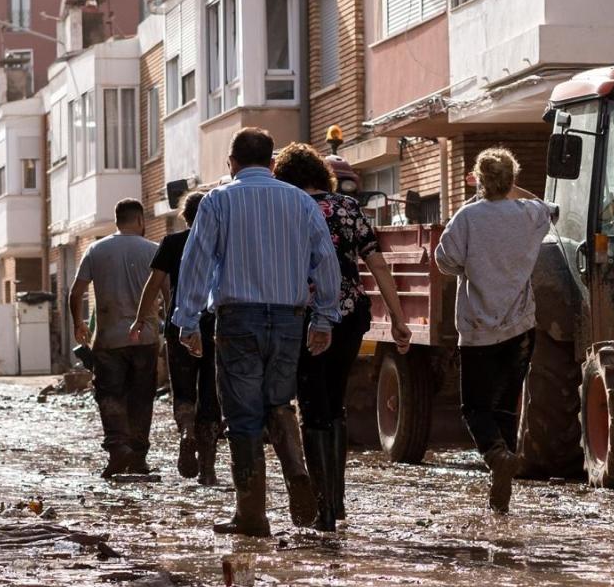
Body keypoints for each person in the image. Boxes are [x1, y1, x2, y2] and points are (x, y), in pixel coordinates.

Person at [171, 128, 341, 537]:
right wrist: (323, 319)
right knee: (279, 401)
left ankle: (251, 513)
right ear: (271, 164)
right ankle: (296, 470)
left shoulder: (218, 201)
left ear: (231, 163)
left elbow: (195, 262)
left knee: (243, 415)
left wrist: (187, 321)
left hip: (238, 320)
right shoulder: (301, 201)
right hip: (289, 318)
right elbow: (326, 262)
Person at [272, 143, 411, 531]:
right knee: (335, 403)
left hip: (302, 317)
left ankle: (323, 508)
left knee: (311, 403)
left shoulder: (286, 209)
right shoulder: (349, 209)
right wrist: (399, 319)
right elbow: (377, 263)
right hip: (349, 317)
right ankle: (336, 501)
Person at [432, 147, 554, 514]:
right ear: (512, 179)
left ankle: (496, 455)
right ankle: (503, 471)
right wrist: (514, 190)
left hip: (478, 329)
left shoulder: (467, 217)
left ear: (479, 179)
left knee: (474, 407)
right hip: (521, 328)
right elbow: (551, 209)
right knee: (505, 405)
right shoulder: (531, 213)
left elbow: (444, 262)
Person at [128, 192, 221, 484]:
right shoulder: (220, 240)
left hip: (180, 325)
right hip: (216, 326)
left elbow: (153, 284)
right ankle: (207, 469)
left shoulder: (171, 242)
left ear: (185, 216)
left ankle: (186, 432)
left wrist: (141, 319)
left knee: (183, 390)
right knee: (211, 393)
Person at [71, 199, 159, 479]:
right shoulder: (154, 251)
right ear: (141, 220)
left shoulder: (96, 250)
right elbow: (169, 294)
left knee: (109, 394)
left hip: (108, 339)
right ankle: (139, 458)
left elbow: (75, 293)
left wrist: (78, 323)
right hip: (145, 339)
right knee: (142, 397)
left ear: (117, 220)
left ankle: (118, 448)